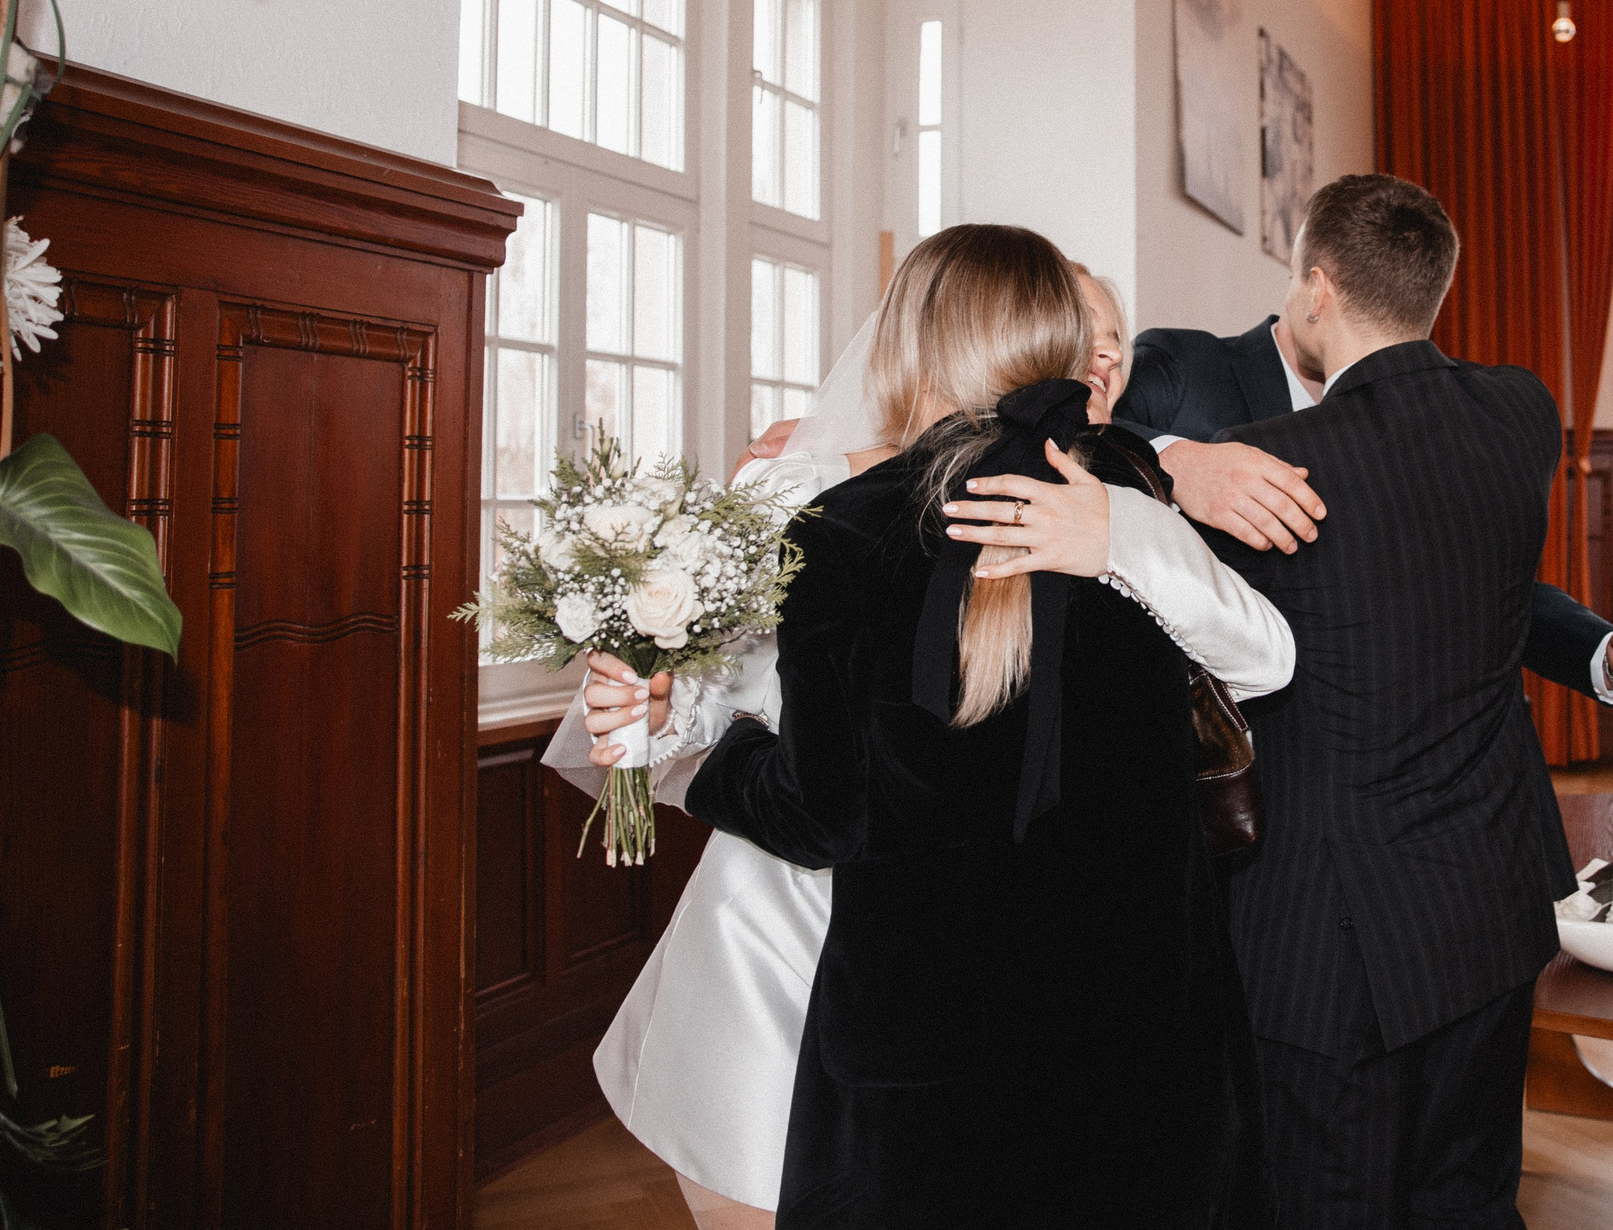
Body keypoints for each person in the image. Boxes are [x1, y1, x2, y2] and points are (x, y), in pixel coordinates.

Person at [553, 253, 1291, 1228]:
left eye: (1117, 339)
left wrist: (1144, 496)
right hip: (797, 926)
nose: (1106, 356)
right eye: (1085, 333)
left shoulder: (1122, 498)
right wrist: (658, 719)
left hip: (1010, 973)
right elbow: (683, 685)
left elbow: (1254, 652)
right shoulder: (805, 492)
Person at [1186, 174, 1613, 1228]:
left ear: (1315, 288)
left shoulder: (1275, 466)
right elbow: (1455, 576)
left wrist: (1175, 464)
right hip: (1488, 897)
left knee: (1326, 1203)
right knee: (1470, 1194)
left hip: (1327, 927)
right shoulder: (1519, 413)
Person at [1114, 271, 1613, 731]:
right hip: (1223, 765)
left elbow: (1475, 586)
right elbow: (1077, 434)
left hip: (1402, 785)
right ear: (1317, 289)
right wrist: (1174, 461)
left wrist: (1600, 649)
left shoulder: (1438, 420)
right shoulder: (1187, 367)